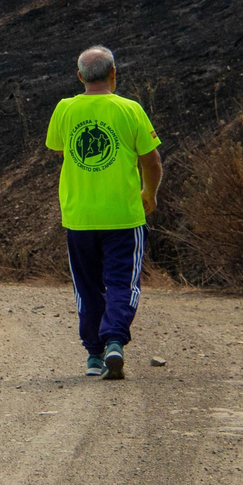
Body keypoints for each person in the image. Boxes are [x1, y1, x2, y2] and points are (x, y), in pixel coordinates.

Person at [45, 45, 162, 380]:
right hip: (124, 217)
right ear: (114, 73)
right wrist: (149, 194)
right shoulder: (130, 109)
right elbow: (152, 161)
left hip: (79, 217)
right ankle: (114, 340)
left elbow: (59, 149)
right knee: (122, 283)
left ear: (80, 76)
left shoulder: (65, 110)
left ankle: (94, 355)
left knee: (87, 287)